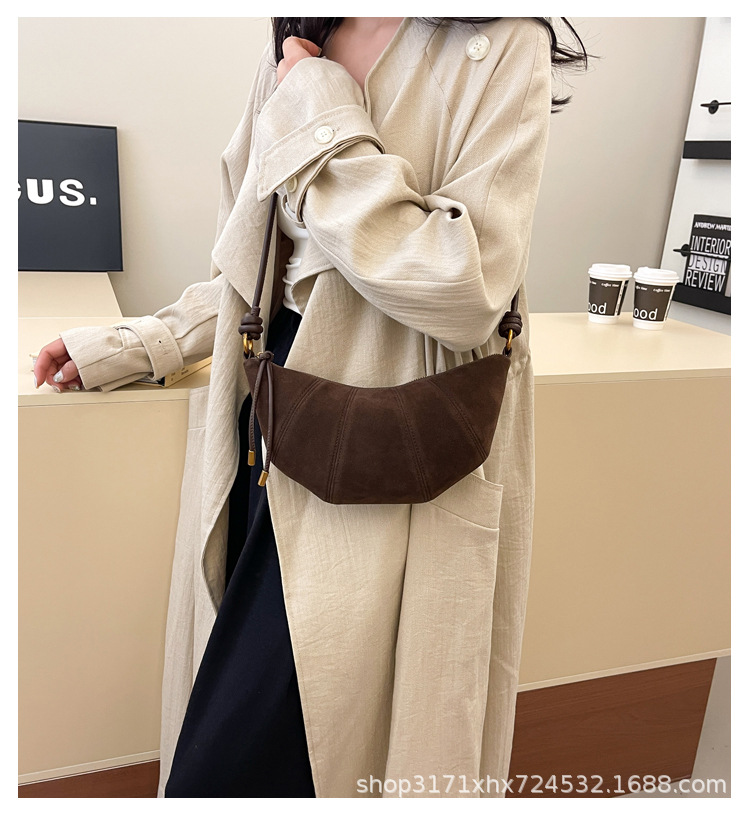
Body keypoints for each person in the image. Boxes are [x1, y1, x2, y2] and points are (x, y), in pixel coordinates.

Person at [33, 17, 587, 798]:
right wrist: (144, 342)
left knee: (265, 766)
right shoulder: (303, 36)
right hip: (271, 422)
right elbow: (261, 263)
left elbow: (464, 286)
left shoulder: (502, 42)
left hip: (395, 444)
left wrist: (320, 107)